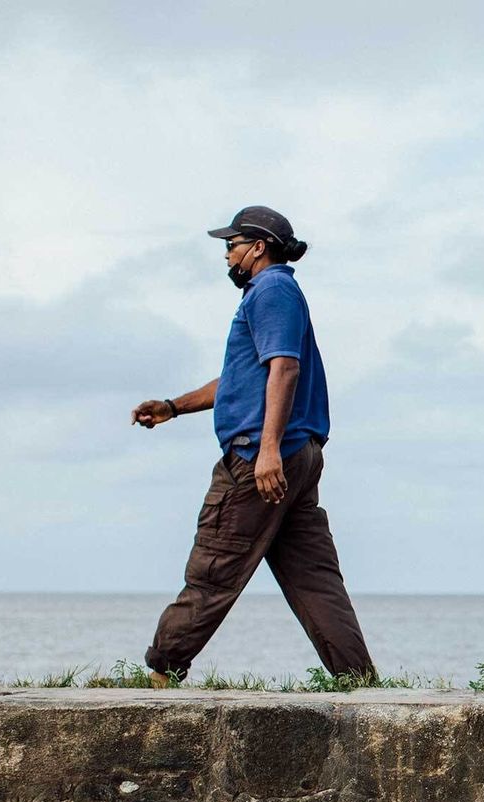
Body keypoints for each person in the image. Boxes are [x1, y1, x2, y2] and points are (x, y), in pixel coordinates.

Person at [130, 206, 374, 686]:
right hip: (295, 456)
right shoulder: (274, 294)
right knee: (314, 578)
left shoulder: (273, 290)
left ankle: (160, 675)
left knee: (214, 566)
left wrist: (266, 451)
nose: (226, 255)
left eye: (231, 245)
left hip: (261, 459)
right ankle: (359, 684)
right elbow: (244, 378)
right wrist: (173, 407)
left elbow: (284, 369)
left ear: (257, 247)